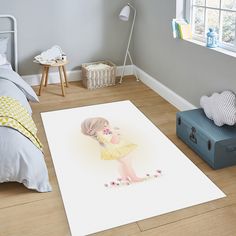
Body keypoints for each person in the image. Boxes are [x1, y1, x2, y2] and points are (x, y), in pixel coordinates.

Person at [81, 117, 147, 186]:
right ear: (97, 128)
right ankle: (134, 178)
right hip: (119, 149)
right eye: (105, 125)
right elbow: (115, 141)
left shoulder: (99, 134)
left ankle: (124, 179)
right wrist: (114, 132)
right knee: (128, 164)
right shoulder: (105, 133)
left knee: (121, 164)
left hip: (113, 150)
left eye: (107, 124)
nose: (108, 126)